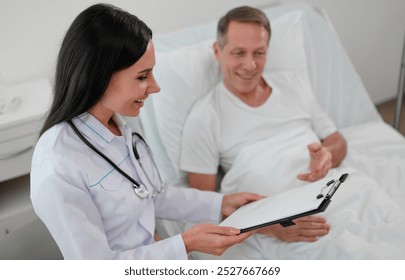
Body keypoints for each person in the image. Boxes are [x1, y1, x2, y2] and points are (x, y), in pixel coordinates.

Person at [30, 3, 263, 260]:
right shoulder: (58, 165)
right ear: (100, 76)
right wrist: (183, 244)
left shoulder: (119, 125)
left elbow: (151, 195)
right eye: (143, 77)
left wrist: (222, 204)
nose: (155, 87)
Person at [180, 6, 347, 244]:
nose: (250, 65)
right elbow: (203, 203)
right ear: (218, 51)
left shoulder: (294, 85)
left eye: (259, 53)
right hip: (277, 220)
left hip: (330, 196)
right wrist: (272, 226)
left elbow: (336, 140)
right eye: (239, 53)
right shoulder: (205, 117)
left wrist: (327, 156)